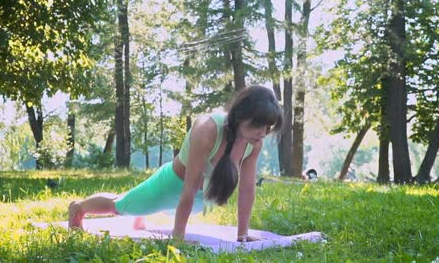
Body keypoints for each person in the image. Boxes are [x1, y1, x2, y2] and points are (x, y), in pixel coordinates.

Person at [68, 85, 283, 242]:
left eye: (268, 127)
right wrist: (177, 239)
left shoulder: (253, 144)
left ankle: (143, 212)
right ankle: (78, 207)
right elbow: (188, 188)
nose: (263, 133)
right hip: (171, 186)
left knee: (144, 208)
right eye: (260, 126)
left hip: (202, 200)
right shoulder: (207, 129)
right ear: (242, 115)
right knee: (120, 207)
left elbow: (246, 190)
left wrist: (242, 234)